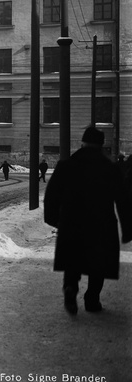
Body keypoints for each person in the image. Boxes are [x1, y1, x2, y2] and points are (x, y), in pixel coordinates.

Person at [44, 126, 132, 315]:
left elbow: (52, 194)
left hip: (72, 221)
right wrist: (127, 228)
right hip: (101, 222)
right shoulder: (110, 168)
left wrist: (53, 218)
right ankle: (92, 299)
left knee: (72, 260)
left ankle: (70, 289)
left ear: (82, 143)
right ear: (101, 145)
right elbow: (123, 200)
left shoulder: (67, 165)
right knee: (98, 262)